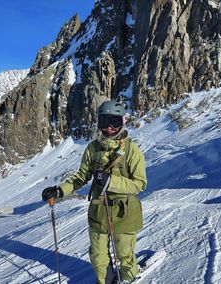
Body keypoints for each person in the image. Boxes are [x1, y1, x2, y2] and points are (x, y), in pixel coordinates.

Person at [42, 100, 147, 284]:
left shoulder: (131, 150)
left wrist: (111, 182)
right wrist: (60, 191)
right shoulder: (93, 148)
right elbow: (81, 176)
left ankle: (129, 278)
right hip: (99, 212)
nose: (109, 128)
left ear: (123, 122)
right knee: (98, 256)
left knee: (124, 253)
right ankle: (105, 281)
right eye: (104, 122)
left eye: (114, 121)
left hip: (125, 212)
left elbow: (139, 184)